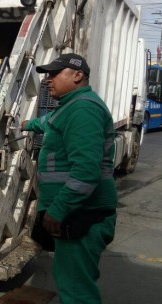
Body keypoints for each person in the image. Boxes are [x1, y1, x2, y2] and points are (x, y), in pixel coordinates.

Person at [22, 53, 117, 304]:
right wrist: (26, 124)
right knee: (70, 281)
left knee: (76, 291)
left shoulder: (83, 109)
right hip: (79, 212)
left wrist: (59, 209)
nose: (47, 80)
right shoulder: (71, 107)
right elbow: (49, 122)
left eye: (54, 74)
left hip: (82, 214)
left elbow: (86, 170)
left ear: (77, 75)